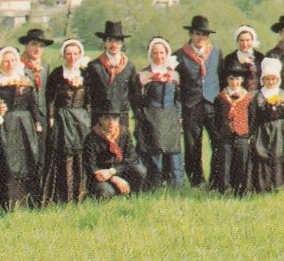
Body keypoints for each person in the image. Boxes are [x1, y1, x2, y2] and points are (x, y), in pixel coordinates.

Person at [0, 46, 43, 212]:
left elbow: (33, 104)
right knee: (6, 162)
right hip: (3, 126)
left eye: (13, 60)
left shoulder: (26, 80)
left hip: (25, 126)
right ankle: (4, 203)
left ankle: (26, 202)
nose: (10, 64)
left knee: (26, 161)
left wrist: (37, 122)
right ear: (0, 63)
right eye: (6, 60)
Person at [41, 38, 91, 205]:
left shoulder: (85, 74)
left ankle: (80, 195)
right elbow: (50, 99)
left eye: (75, 54)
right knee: (64, 156)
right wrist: (51, 117)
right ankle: (63, 196)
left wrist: (89, 119)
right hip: (62, 119)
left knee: (80, 156)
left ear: (80, 55)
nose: (72, 57)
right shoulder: (56, 74)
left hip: (81, 120)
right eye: (68, 54)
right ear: (63, 55)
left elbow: (89, 100)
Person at [248, 58, 284, 192]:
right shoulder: (259, 95)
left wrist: (279, 107)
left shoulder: (283, 94)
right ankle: (267, 185)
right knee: (266, 155)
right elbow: (255, 115)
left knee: (283, 153)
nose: (270, 82)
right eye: (267, 79)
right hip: (265, 130)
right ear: (263, 80)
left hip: (283, 130)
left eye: (273, 79)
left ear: (277, 79)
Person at [175, 15, 221, 188]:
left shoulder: (216, 52)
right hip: (191, 105)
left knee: (217, 142)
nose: (200, 38)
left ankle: (216, 179)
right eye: (197, 34)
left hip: (212, 103)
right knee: (193, 144)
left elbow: (221, 77)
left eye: (204, 34)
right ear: (191, 34)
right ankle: (197, 180)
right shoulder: (180, 55)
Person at [135, 36, 184, 190]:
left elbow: (178, 98)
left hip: (170, 115)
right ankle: (154, 186)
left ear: (167, 54)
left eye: (162, 53)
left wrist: (178, 115)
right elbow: (137, 100)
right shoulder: (143, 75)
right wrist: (143, 117)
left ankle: (176, 187)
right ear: (151, 55)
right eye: (155, 53)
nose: (159, 56)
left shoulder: (174, 75)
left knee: (173, 150)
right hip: (152, 115)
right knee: (155, 151)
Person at [84, 20, 140, 129]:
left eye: (117, 41)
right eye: (110, 40)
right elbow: (88, 93)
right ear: (104, 43)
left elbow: (134, 94)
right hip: (100, 117)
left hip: (121, 116)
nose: (113, 45)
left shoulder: (129, 66)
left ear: (122, 43)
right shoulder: (94, 66)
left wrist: (137, 115)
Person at [211, 60, 253, 196]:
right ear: (227, 80)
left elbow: (252, 117)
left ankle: (241, 190)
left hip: (242, 134)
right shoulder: (220, 98)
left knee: (242, 162)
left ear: (242, 80)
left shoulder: (248, 98)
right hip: (226, 136)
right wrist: (219, 132)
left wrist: (248, 132)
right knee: (225, 163)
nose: (234, 82)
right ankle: (223, 190)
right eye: (231, 79)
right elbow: (215, 118)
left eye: (237, 79)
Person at [83, 110, 146, 199]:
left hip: (120, 171)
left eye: (115, 118)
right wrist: (113, 178)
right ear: (100, 119)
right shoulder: (91, 138)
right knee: (105, 191)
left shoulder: (124, 133)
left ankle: (133, 197)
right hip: (102, 177)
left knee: (140, 170)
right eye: (107, 118)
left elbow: (131, 158)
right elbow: (91, 166)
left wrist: (113, 171)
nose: (111, 122)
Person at [18, 28, 53, 173]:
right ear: (26, 46)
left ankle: (39, 192)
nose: (37, 49)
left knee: (41, 154)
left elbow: (48, 93)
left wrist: (50, 115)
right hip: (25, 115)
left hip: (43, 114)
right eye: (33, 44)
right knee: (25, 153)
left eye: (41, 46)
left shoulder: (45, 67)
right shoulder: (18, 66)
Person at [219, 25, 264, 92]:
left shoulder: (260, 57)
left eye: (247, 40)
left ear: (252, 40)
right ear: (237, 41)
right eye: (242, 40)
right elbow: (224, 80)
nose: (245, 44)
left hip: (255, 96)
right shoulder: (230, 58)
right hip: (236, 96)